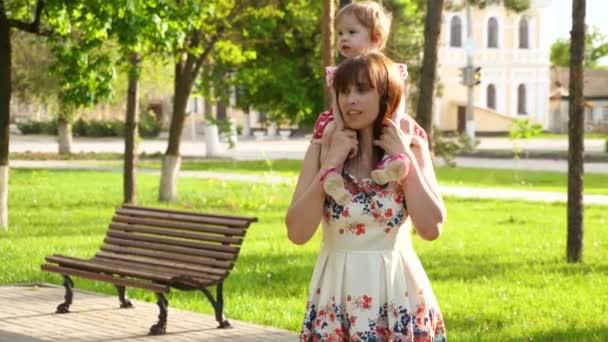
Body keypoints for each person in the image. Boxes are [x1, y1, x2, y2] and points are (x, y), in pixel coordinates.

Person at [285, 52, 447, 341]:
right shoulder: (321, 149)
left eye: (362, 90)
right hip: (338, 299)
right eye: (344, 92)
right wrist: (330, 164)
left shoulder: (412, 148)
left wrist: (404, 154)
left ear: (386, 94)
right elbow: (297, 232)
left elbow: (432, 228)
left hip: (398, 295)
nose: (350, 100)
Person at [311, 1, 426, 206]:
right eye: (340, 34)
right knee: (329, 131)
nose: (343, 38)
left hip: (386, 119)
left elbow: (398, 102)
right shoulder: (338, 73)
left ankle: (394, 163)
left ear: (376, 38)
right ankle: (333, 178)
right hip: (347, 121)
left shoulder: (389, 71)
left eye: (352, 32)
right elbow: (338, 107)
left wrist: (394, 124)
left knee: (404, 130)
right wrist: (340, 129)